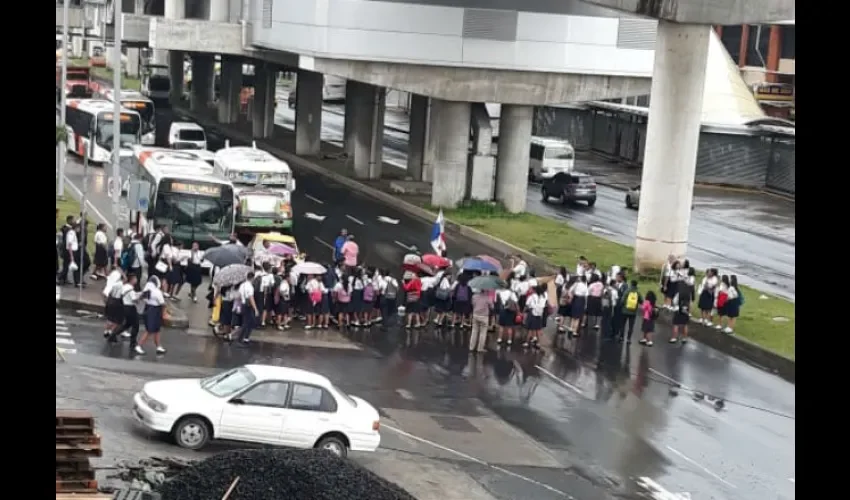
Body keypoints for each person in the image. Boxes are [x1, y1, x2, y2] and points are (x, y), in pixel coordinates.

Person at [108, 274, 143, 349]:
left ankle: (113, 335)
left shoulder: (124, 286)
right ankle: (133, 342)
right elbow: (134, 299)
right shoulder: (130, 288)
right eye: (135, 279)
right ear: (132, 280)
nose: (136, 280)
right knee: (136, 325)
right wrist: (141, 297)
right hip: (131, 308)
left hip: (125, 307)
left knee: (127, 324)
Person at [136, 276, 167, 355]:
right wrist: (164, 313)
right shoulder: (157, 292)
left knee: (156, 329)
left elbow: (139, 298)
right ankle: (139, 345)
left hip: (148, 309)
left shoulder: (146, 291)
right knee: (150, 330)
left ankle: (158, 346)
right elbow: (163, 304)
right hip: (155, 311)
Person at [235, 272, 259, 344]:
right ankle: (241, 339)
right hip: (248, 306)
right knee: (247, 323)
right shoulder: (250, 287)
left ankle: (245, 338)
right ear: (252, 278)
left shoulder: (242, 285)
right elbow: (251, 298)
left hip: (243, 304)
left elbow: (238, 296)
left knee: (249, 322)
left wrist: (238, 306)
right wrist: (255, 309)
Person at [469, 288, 492, 353]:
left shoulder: (474, 296)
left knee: (474, 331)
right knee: (483, 333)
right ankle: (480, 348)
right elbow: (492, 306)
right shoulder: (488, 298)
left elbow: (472, 304)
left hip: (475, 315)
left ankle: (471, 347)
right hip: (484, 316)